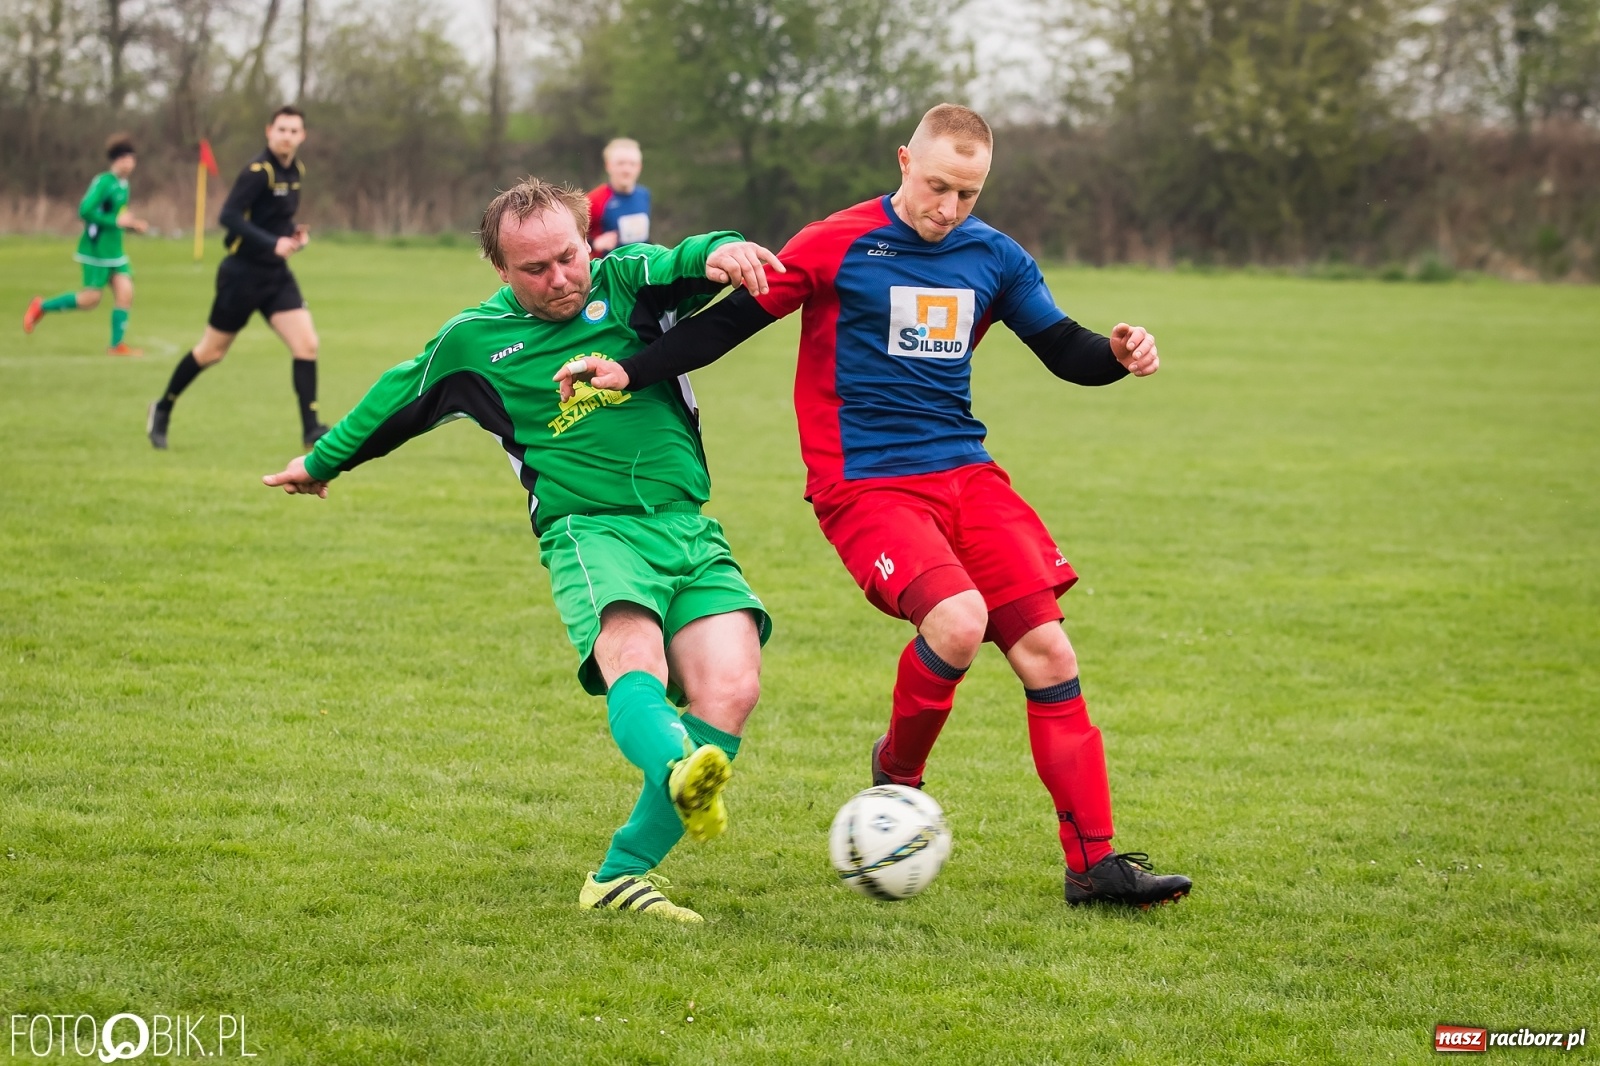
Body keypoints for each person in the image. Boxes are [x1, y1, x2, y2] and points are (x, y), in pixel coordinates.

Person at [556, 104, 1193, 909]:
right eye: (937, 187)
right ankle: (896, 774)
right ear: (903, 161)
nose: (950, 209)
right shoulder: (836, 242)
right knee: (957, 623)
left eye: (968, 193)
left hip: (966, 473)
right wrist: (630, 371)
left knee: (1049, 656)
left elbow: (1063, 347)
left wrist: (1117, 354)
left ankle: (1096, 866)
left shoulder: (993, 257)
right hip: (863, 484)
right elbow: (731, 326)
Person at [261, 178, 783, 922]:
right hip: (588, 531)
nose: (560, 279)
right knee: (634, 654)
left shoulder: (625, 281)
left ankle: (618, 877)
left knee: (732, 689)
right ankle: (678, 769)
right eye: (534, 270)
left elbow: (682, 262)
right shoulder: (476, 341)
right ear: (502, 272)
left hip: (687, 525)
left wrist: (724, 249)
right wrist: (320, 464)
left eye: (568, 257)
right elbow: (395, 397)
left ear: (586, 242)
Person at [146, 106, 326, 450]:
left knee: (307, 344)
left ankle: (311, 429)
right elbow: (228, 216)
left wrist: (292, 236)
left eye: (294, 131)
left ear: (302, 136)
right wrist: (272, 242)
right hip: (241, 275)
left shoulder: (296, 171)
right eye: (281, 129)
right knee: (211, 352)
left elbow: (277, 219)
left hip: (276, 277)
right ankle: (163, 407)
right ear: (268, 131)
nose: (287, 136)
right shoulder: (257, 172)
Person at [23, 134, 149, 356]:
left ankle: (116, 346)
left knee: (126, 292)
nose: (130, 163)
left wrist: (132, 225)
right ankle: (41, 306)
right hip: (96, 250)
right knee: (90, 300)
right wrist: (116, 221)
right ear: (116, 160)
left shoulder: (124, 185)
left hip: (115, 251)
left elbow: (117, 215)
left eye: (133, 159)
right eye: (126, 159)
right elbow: (85, 210)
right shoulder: (103, 182)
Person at [585, 138, 650, 256]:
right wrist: (594, 244)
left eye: (632, 164)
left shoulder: (644, 195)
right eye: (621, 163)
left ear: (639, 167)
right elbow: (572, 237)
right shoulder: (593, 200)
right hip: (608, 271)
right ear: (608, 166)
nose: (626, 170)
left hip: (640, 270)